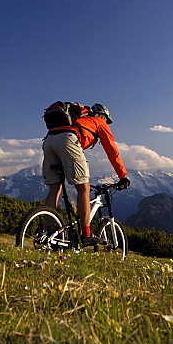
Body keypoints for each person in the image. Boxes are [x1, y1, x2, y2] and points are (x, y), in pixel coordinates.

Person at [43, 103, 130, 245]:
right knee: (83, 188)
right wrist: (122, 176)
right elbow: (112, 151)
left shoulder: (77, 119)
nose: (106, 123)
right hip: (68, 140)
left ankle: (47, 231)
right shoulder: (99, 122)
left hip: (49, 140)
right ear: (103, 116)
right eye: (107, 120)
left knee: (54, 190)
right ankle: (86, 234)